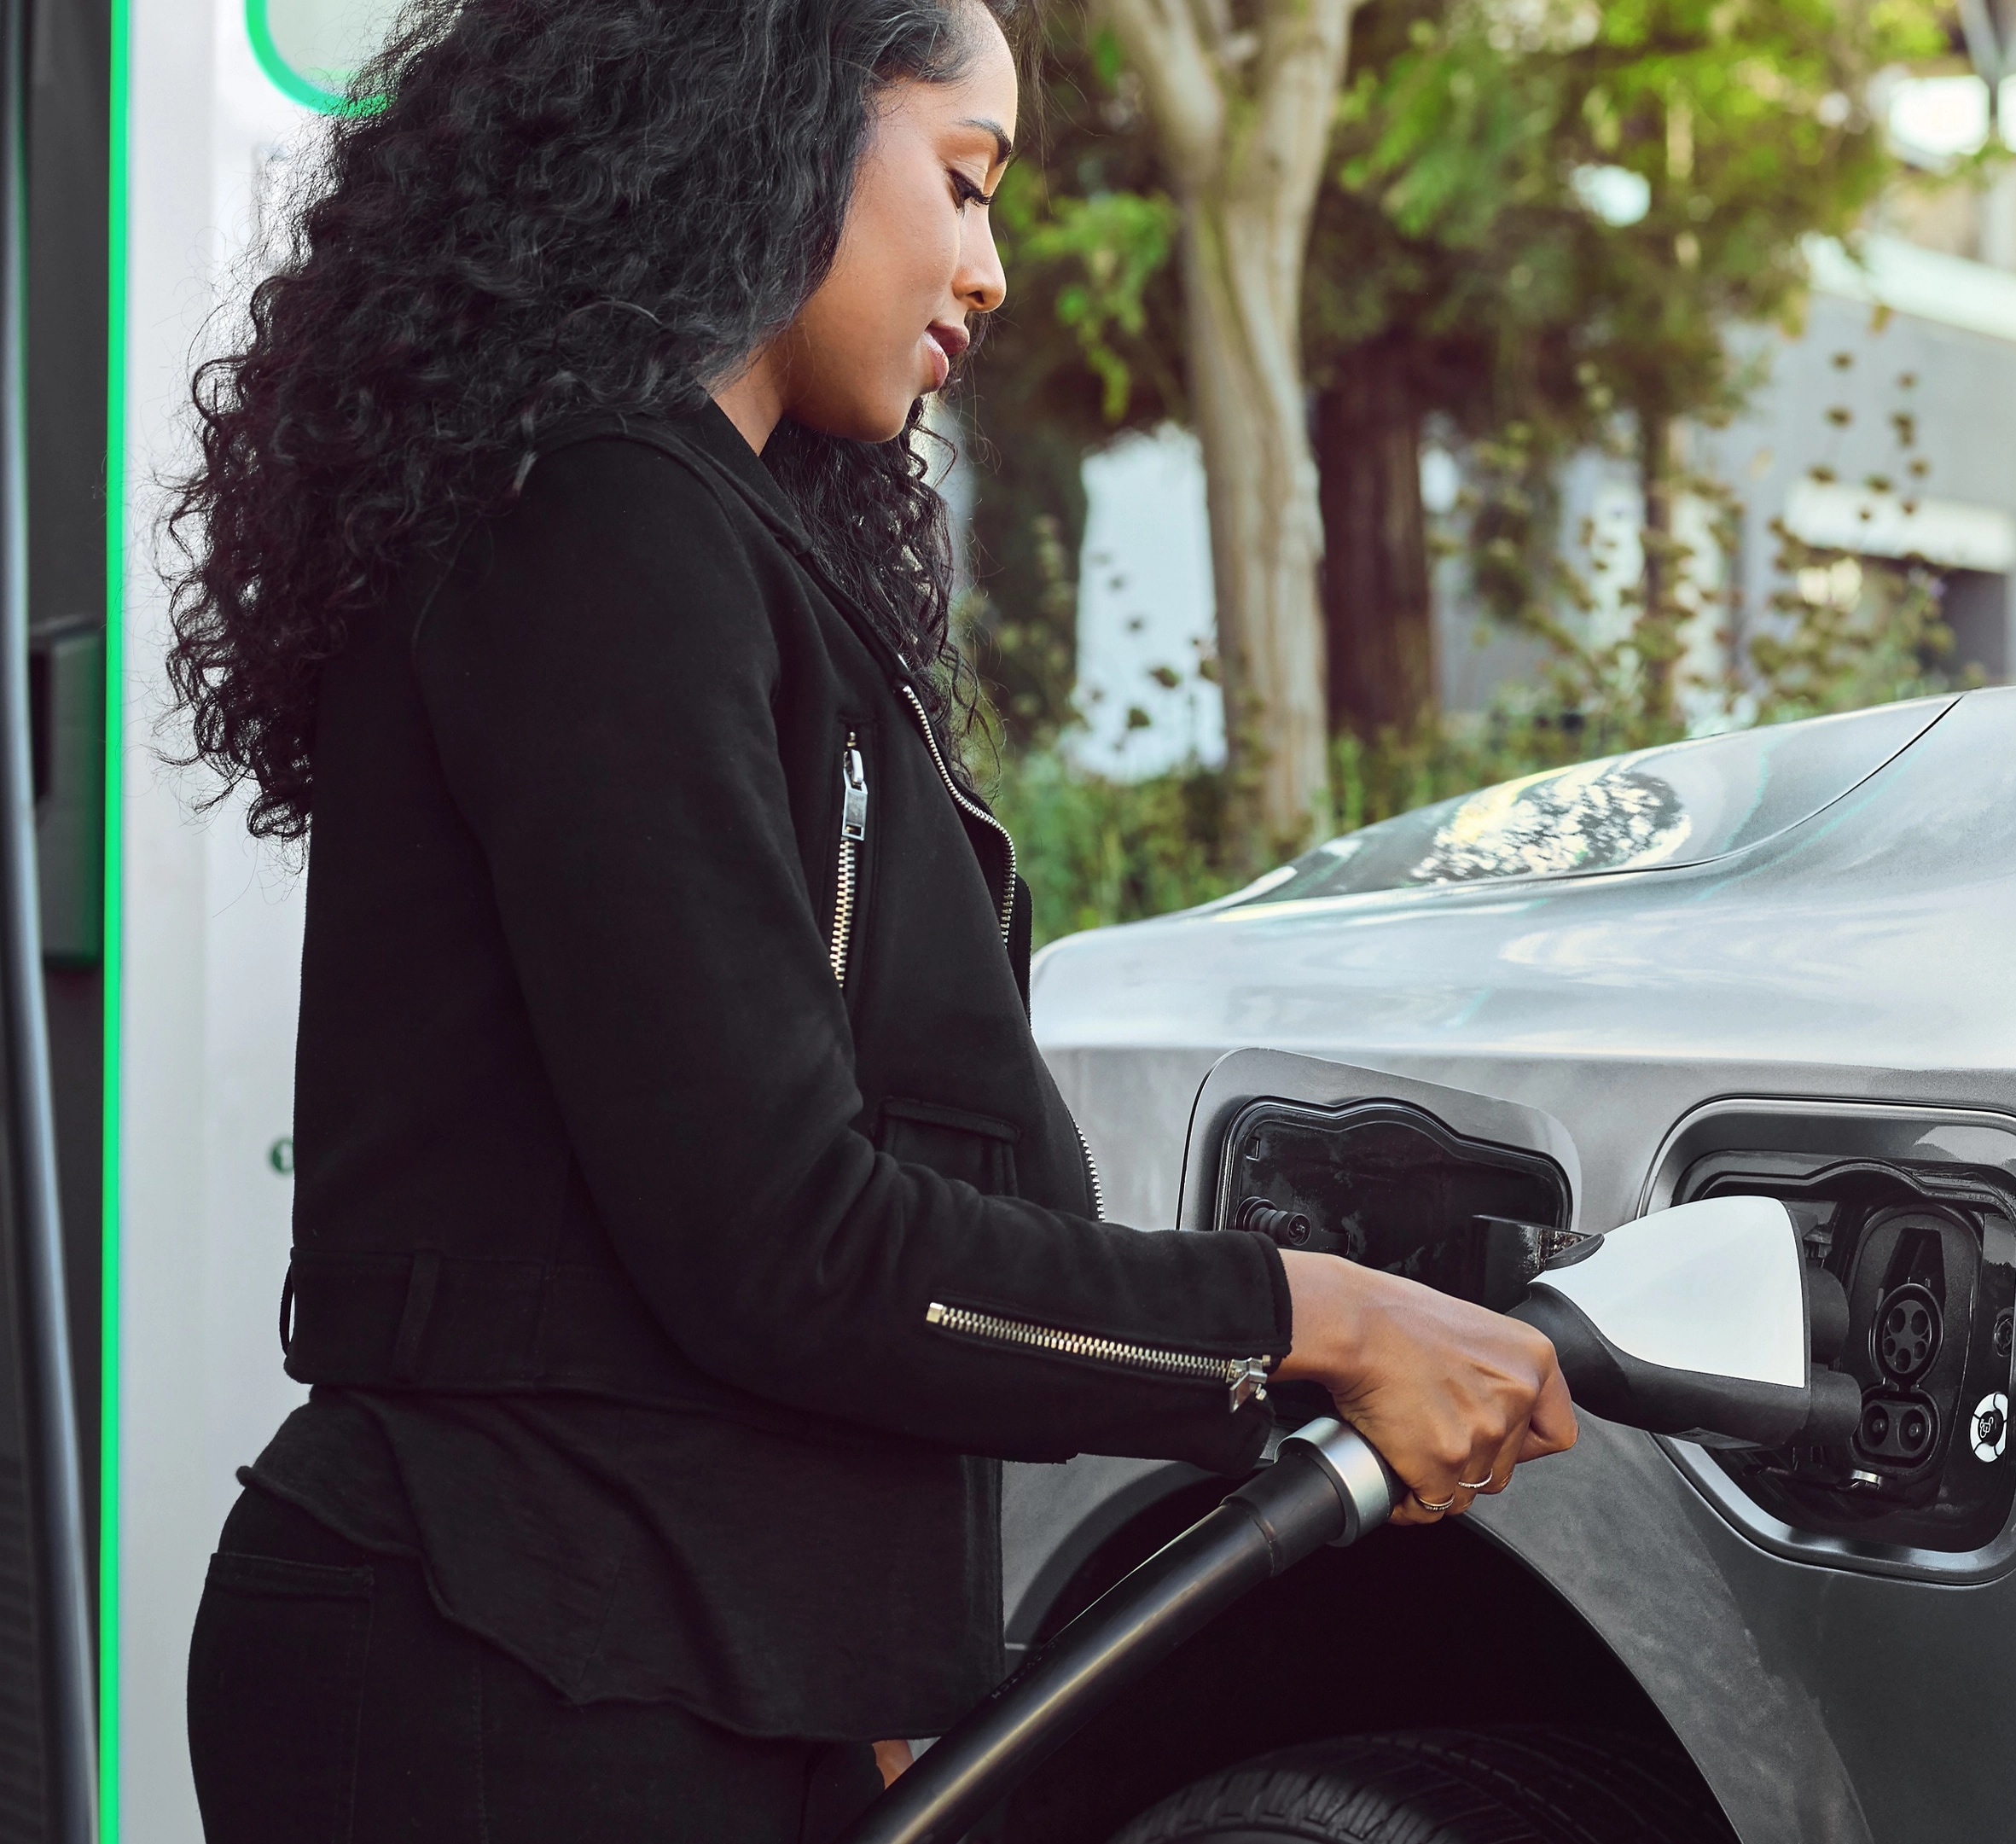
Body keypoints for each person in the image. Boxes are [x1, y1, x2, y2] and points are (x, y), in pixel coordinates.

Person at [164, 3, 1575, 1837]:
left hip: (645, 1657)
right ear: (770, 119)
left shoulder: (696, 540)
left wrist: (867, 1665)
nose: (987, 272)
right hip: (513, 1668)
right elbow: (794, 1245)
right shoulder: (601, 525)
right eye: (965, 181)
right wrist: (1320, 1324)